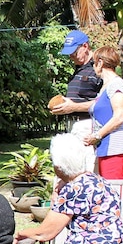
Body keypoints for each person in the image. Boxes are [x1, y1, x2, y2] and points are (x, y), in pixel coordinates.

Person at [49, 29, 102, 169]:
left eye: (74, 51)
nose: (71, 56)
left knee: (87, 168)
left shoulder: (97, 68)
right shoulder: (79, 68)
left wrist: (74, 107)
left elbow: (104, 103)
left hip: (89, 125)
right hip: (74, 125)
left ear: (85, 46)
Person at [83, 46, 123, 179]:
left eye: (94, 63)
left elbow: (120, 116)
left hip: (116, 149)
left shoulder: (116, 84)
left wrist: (97, 135)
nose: (93, 67)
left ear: (100, 63)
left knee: (113, 190)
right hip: (107, 148)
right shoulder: (106, 86)